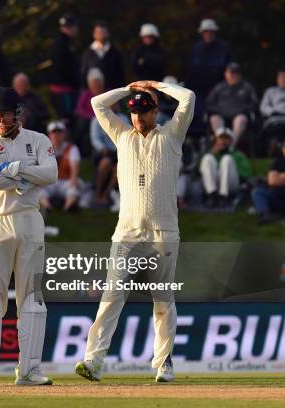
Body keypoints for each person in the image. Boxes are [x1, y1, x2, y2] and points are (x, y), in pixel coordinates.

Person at [75, 80, 195, 383]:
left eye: (143, 111)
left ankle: (163, 364)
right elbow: (97, 104)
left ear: (155, 112)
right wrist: (129, 90)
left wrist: (155, 85)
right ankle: (93, 361)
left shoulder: (171, 135)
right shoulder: (122, 136)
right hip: (127, 233)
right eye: (133, 112)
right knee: (112, 296)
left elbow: (188, 98)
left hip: (163, 233)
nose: (138, 118)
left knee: (163, 300)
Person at [0, 87, 57, 386]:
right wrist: (23, 179)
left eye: (5, 113)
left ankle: (29, 370)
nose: (0, 119)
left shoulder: (38, 140)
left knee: (32, 298)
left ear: (16, 113)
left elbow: (52, 174)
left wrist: (16, 169)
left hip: (30, 221)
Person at [186, 18, 232, 132]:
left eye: (210, 31)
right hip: (198, 90)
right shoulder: (196, 49)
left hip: (218, 90)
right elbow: (190, 70)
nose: (208, 34)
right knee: (197, 116)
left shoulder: (224, 48)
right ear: (202, 33)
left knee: (217, 116)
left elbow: (229, 70)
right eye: (206, 32)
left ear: (214, 32)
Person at [206, 62, 257, 146]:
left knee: (241, 119)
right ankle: (221, 145)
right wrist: (220, 110)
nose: (234, 75)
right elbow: (209, 104)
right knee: (214, 118)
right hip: (221, 114)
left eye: (237, 73)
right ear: (226, 74)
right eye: (232, 73)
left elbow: (254, 103)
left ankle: (231, 147)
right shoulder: (219, 88)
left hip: (239, 115)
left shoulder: (247, 87)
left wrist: (242, 110)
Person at [199, 128, 251, 207]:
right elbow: (197, 171)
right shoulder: (210, 153)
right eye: (221, 138)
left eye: (226, 138)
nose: (223, 141)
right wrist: (212, 153)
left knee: (227, 159)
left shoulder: (238, 155)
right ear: (216, 140)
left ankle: (223, 197)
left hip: (231, 185)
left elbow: (247, 175)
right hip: (212, 184)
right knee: (207, 158)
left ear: (231, 141)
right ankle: (212, 196)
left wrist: (227, 169)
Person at [39, 121, 82, 211]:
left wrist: (73, 180)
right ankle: (47, 207)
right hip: (49, 182)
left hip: (65, 181)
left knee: (74, 188)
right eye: (54, 133)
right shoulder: (43, 148)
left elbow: (74, 167)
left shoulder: (72, 148)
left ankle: (68, 207)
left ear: (64, 134)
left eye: (59, 133)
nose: (57, 136)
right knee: (37, 190)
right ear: (49, 135)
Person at [48, 14, 81, 122]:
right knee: (67, 119)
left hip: (65, 88)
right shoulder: (62, 44)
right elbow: (62, 67)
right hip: (63, 90)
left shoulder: (64, 42)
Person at [80, 21, 125, 91]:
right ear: (94, 34)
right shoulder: (88, 52)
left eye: (103, 32)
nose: (101, 35)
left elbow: (120, 74)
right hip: (92, 94)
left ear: (108, 33)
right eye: (98, 32)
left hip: (112, 92)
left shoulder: (115, 52)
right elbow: (83, 73)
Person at [251, 141, 285, 224]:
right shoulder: (278, 163)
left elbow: (276, 179)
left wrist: (280, 176)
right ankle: (265, 214)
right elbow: (272, 181)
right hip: (277, 197)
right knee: (257, 192)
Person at [259, 67, 285, 155]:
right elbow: (263, 107)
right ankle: (276, 148)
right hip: (274, 119)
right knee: (277, 127)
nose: (283, 79)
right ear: (277, 79)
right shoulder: (270, 91)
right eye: (281, 77)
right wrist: (273, 111)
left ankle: (278, 147)